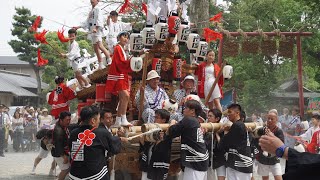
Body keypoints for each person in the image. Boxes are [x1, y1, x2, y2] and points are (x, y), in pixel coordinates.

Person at [68, 105, 126, 180]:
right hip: (95, 176)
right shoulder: (101, 133)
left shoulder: (73, 133)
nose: (99, 121)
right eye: (98, 119)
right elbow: (114, 149)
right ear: (93, 121)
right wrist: (119, 139)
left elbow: (71, 149)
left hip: (74, 176)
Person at [166, 100, 209, 180]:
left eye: (185, 108)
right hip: (200, 161)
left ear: (192, 111)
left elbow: (172, 132)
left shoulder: (188, 120)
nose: (184, 110)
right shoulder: (196, 122)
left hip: (195, 162)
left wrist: (172, 123)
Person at [106, 31, 133, 127]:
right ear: (119, 38)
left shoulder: (121, 48)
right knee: (125, 96)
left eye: (127, 37)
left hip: (121, 75)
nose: (126, 39)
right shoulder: (118, 48)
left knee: (123, 98)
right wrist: (130, 61)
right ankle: (123, 118)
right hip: (119, 75)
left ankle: (118, 120)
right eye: (124, 37)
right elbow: (120, 62)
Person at [74, 0, 111, 69]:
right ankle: (100, 64)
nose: (92, 0)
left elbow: (99, 19)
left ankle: (109, 59)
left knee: (100, 46)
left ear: (97, 1)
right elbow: (86, 22)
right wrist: (77, 27)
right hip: (92, 31)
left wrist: (96, 28)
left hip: (97, 31)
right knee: (96, 49)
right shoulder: (91, 11)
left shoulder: (98, 9)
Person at [219, 103, 253, 180]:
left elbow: (222, 145)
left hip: (241, 164)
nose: (228, 114)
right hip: (235, 164)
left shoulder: (237, 126)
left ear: (237, 113)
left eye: (230, 112)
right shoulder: (240, 125)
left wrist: (225, 132)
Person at [140, 109, 172, 180]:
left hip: (158, 168)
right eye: (154, 117)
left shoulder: (168, 133)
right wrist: (143, 142)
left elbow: (162, 150)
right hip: (147, 166)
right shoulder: (151, 130)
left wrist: (160, 141)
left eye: (157, 117)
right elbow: (147, 147)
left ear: (164, 120)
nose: (154, 119)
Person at [254, 110, 284, 180]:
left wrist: (271, 135)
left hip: (274, 159)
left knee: (278, 177)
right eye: (268, 118)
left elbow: (282, 144)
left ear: (276, 120)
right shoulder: (261, 129)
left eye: (272, 119)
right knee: (265, 178)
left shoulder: (278, 131)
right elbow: (256, 142)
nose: (269, 120)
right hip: (263, 159)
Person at [205, 108, 226, 180]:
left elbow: (222, 145)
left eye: (210, 116)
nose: (208, 118)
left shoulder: (223, 129)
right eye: (208, 116)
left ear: (217, 118)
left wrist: (217, 133)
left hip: (220, 158)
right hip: (209, 160)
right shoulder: (206, 129)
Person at [51, 111, 72, 180]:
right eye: (67, 120)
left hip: (64, 151)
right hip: (59, 153)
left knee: (68, 168)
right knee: (66, 169)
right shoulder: (58, 131)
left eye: (69, 120)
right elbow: (58, 146)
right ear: (61, 120)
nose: (69, 122)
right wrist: (64, 156)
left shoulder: (64, 126)